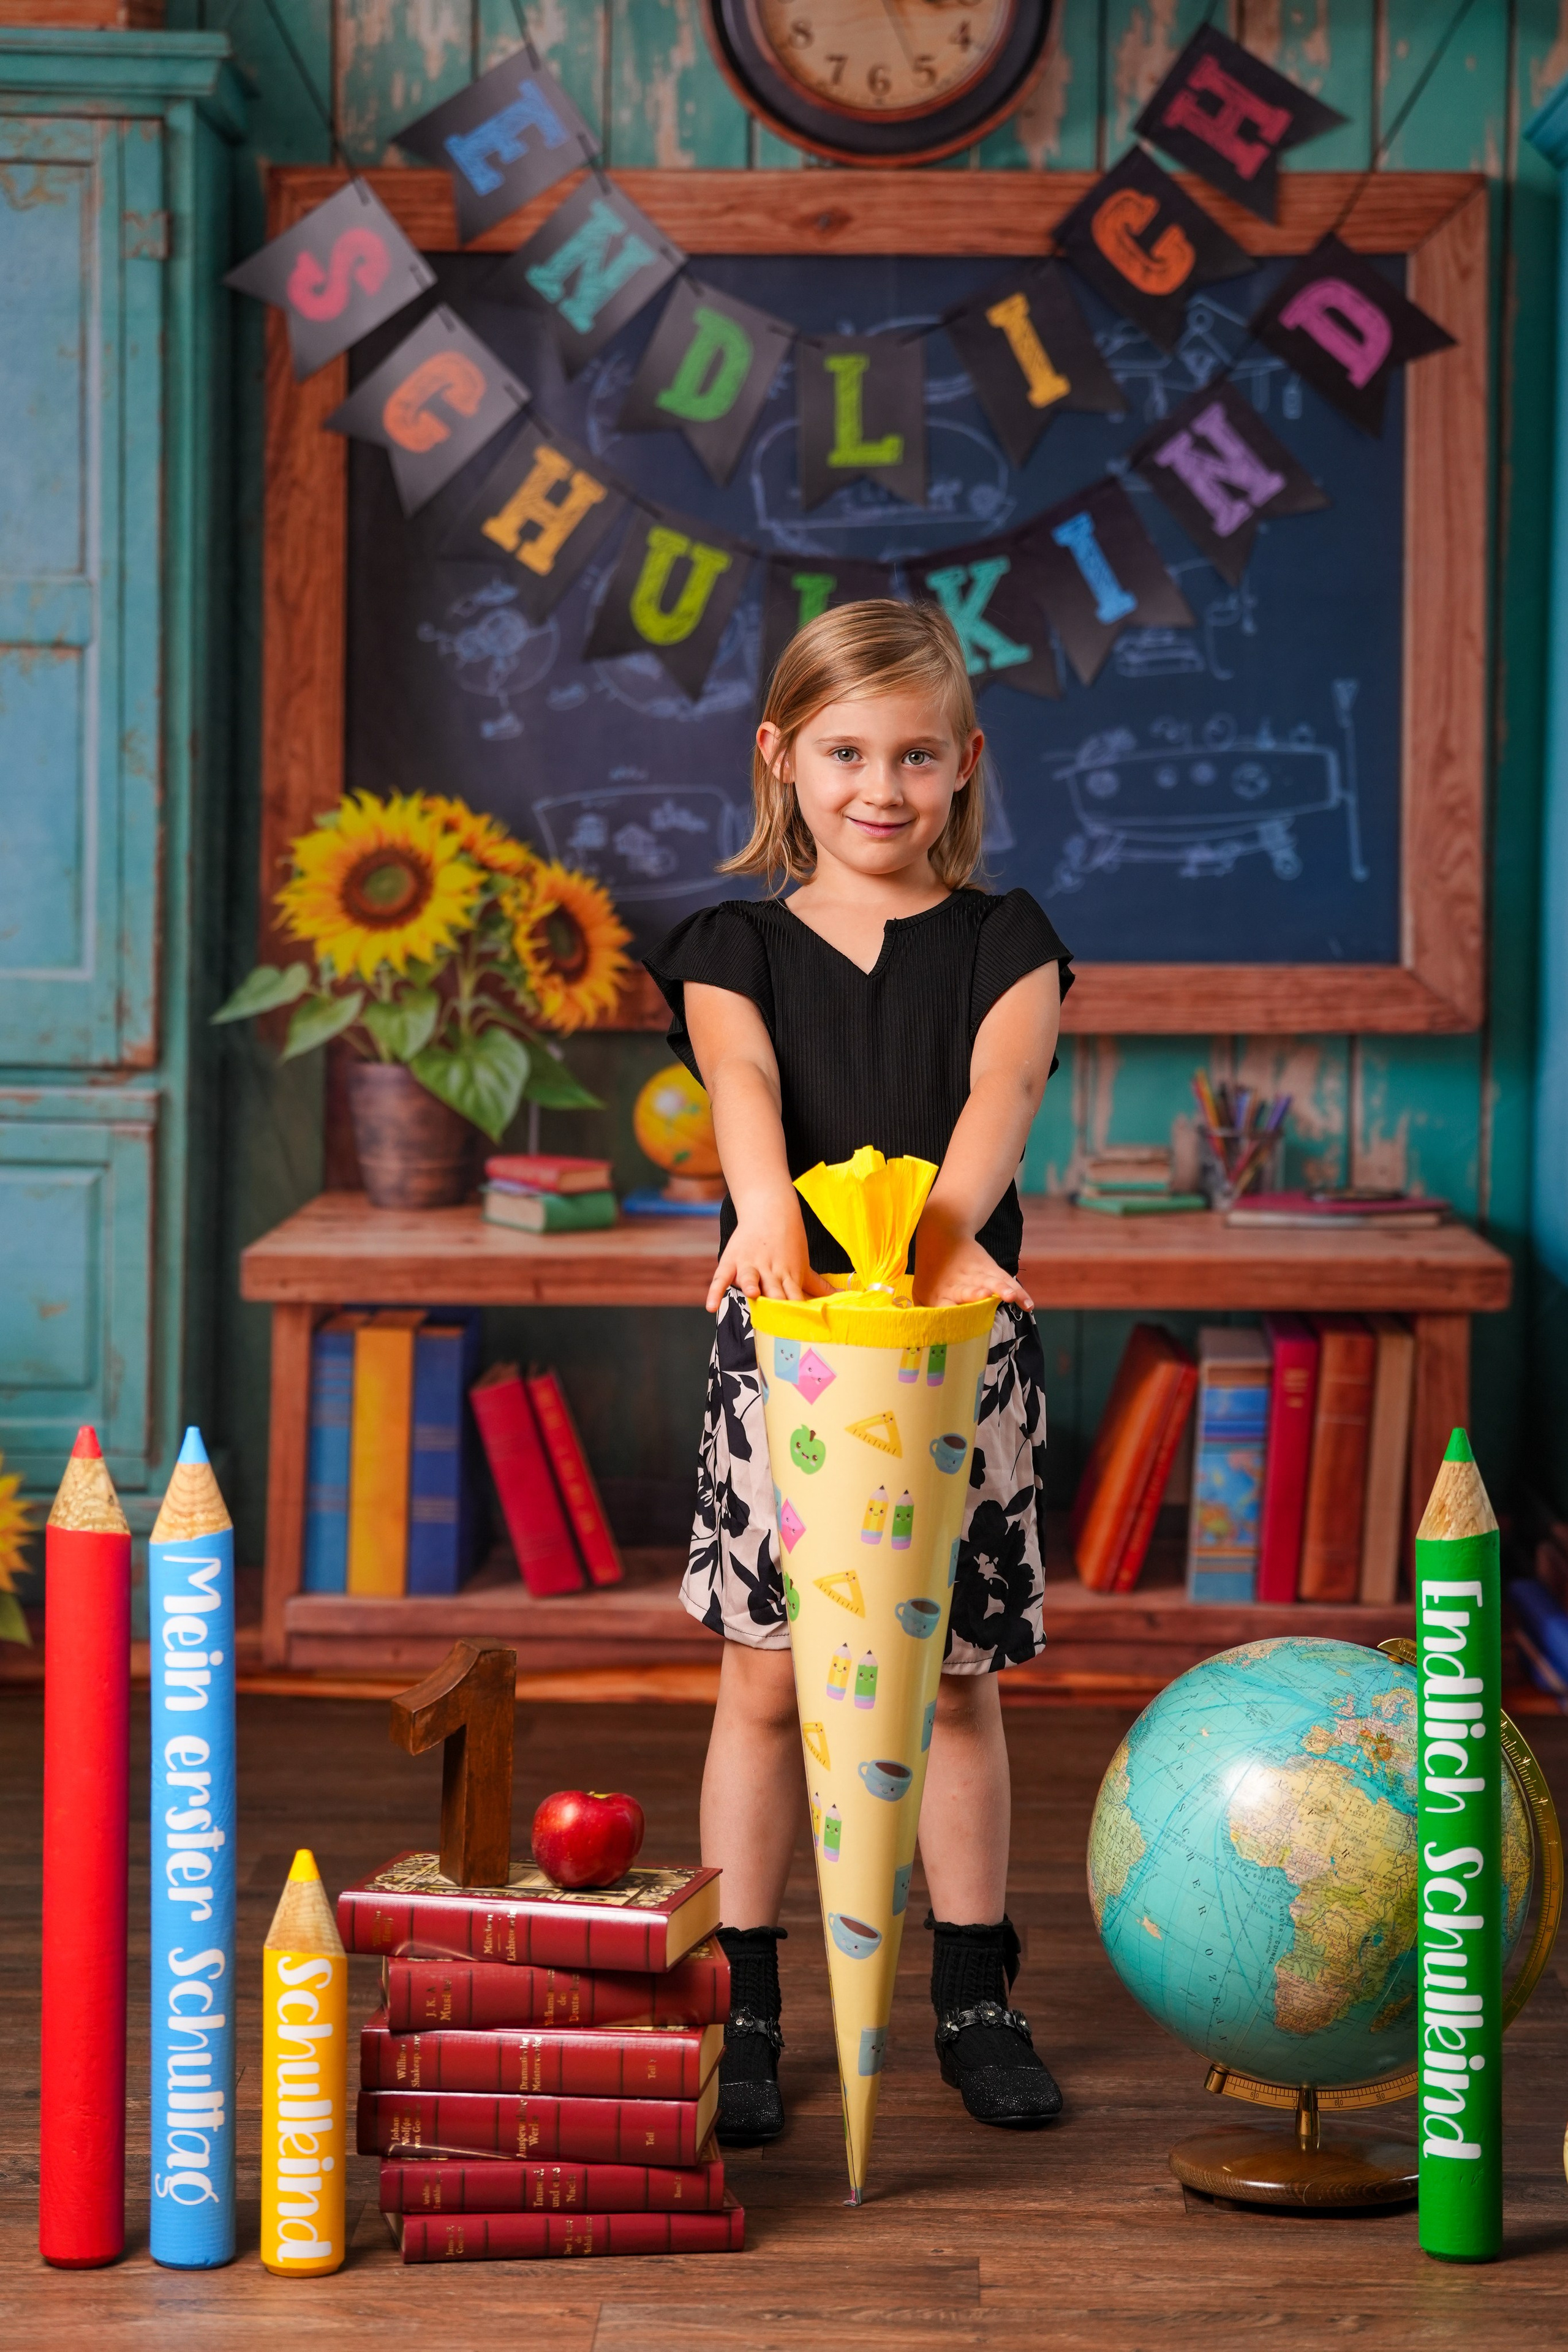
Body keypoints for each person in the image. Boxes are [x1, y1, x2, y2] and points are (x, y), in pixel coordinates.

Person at [646, 600, 1073, 2145]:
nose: (876, 786)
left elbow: (997, 1090)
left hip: (957, 1357)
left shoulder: (1008, 940)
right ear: (781, 757)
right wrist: (765, 1205)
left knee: (952, 1689)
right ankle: (744, 2000)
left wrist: (945, 1236)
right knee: (763, 1684)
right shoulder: (729, 946)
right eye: (841, 751)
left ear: (964, 766)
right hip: (790, 1357)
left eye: (912, 755)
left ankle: (971, 1994)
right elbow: (742, 1076)